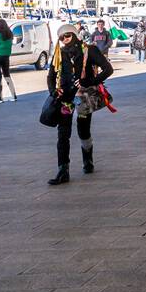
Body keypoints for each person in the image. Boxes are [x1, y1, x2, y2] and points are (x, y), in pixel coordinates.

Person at [45, 24, 113, 186]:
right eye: (61, 38)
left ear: (75, 35)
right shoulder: (59, 54)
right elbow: (50, 76)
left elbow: (107, 69)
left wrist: (90, 81)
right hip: (65, 99)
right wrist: (53, 91)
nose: (65, 40)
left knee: (83, 129)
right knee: (63, 133)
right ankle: (63, 170)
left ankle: (88, 160)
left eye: (67, 36)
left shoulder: (89, 50)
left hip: (83, 96)